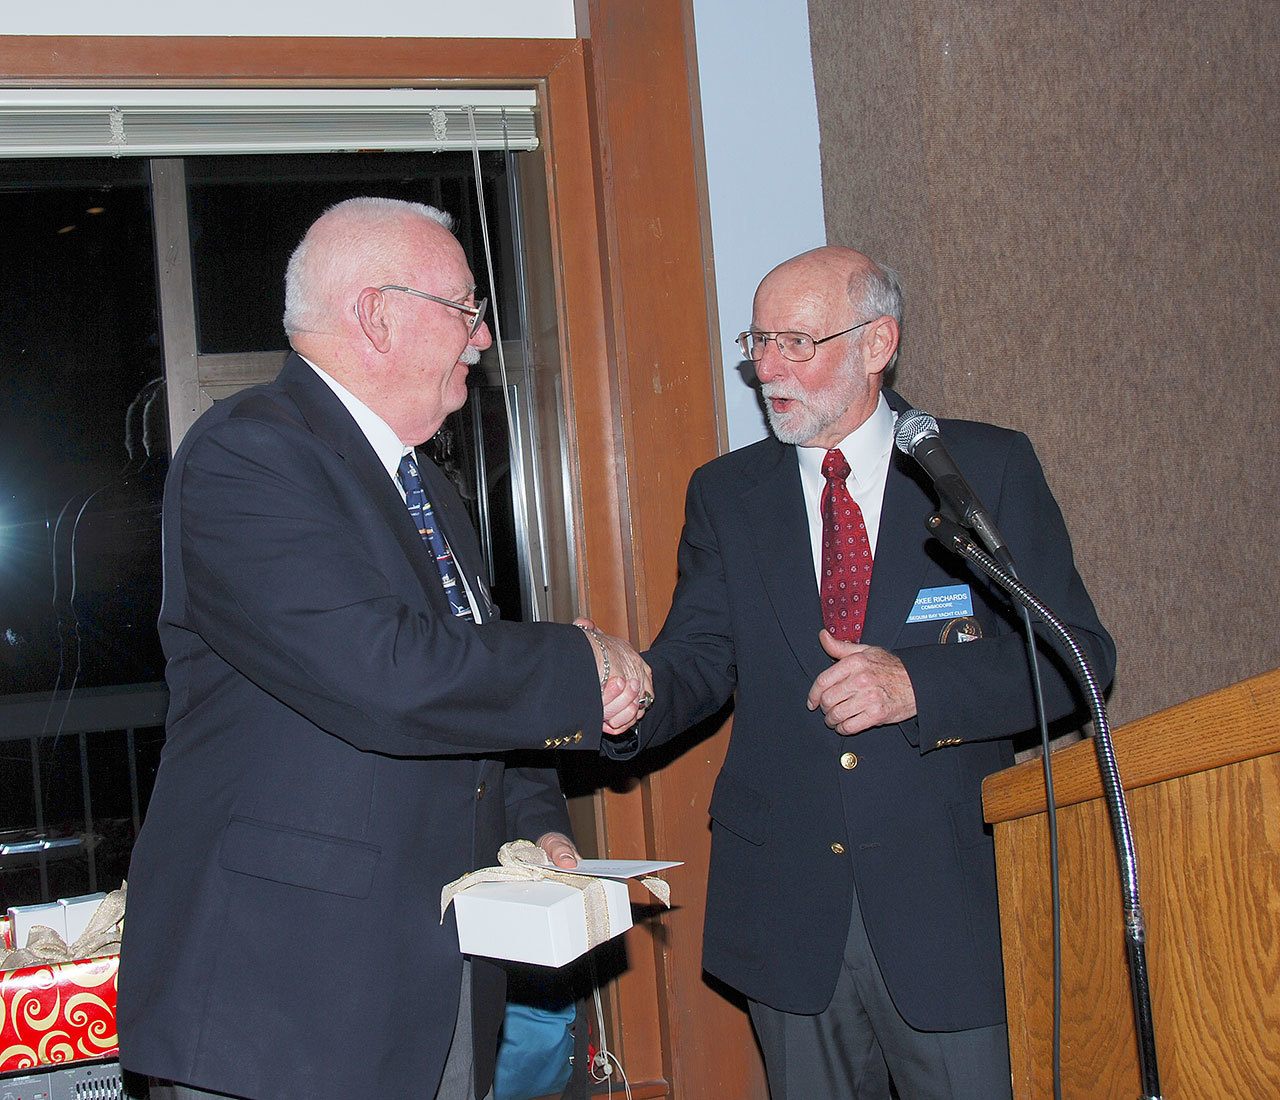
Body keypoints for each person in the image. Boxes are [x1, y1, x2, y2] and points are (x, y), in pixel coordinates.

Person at [118, 196, 650, 1100]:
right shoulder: (248, 456)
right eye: (467, 310)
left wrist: (540, 825)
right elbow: (385, 675)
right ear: (378, 313)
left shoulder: (429, 492)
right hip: (284, 998)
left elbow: (470, 699)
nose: (481, 340)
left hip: (432, 978)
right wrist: (581, 663)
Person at [609, 246, 1116, 1098]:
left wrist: (920, 687)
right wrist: (632, 695)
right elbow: (698, 660)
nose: (766, 368)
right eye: (758, 341)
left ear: (878, 342)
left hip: (950, 909)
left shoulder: (979, 469)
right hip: (790, 908)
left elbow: (1079, 661)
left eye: (796, 344)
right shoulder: (727, 495)